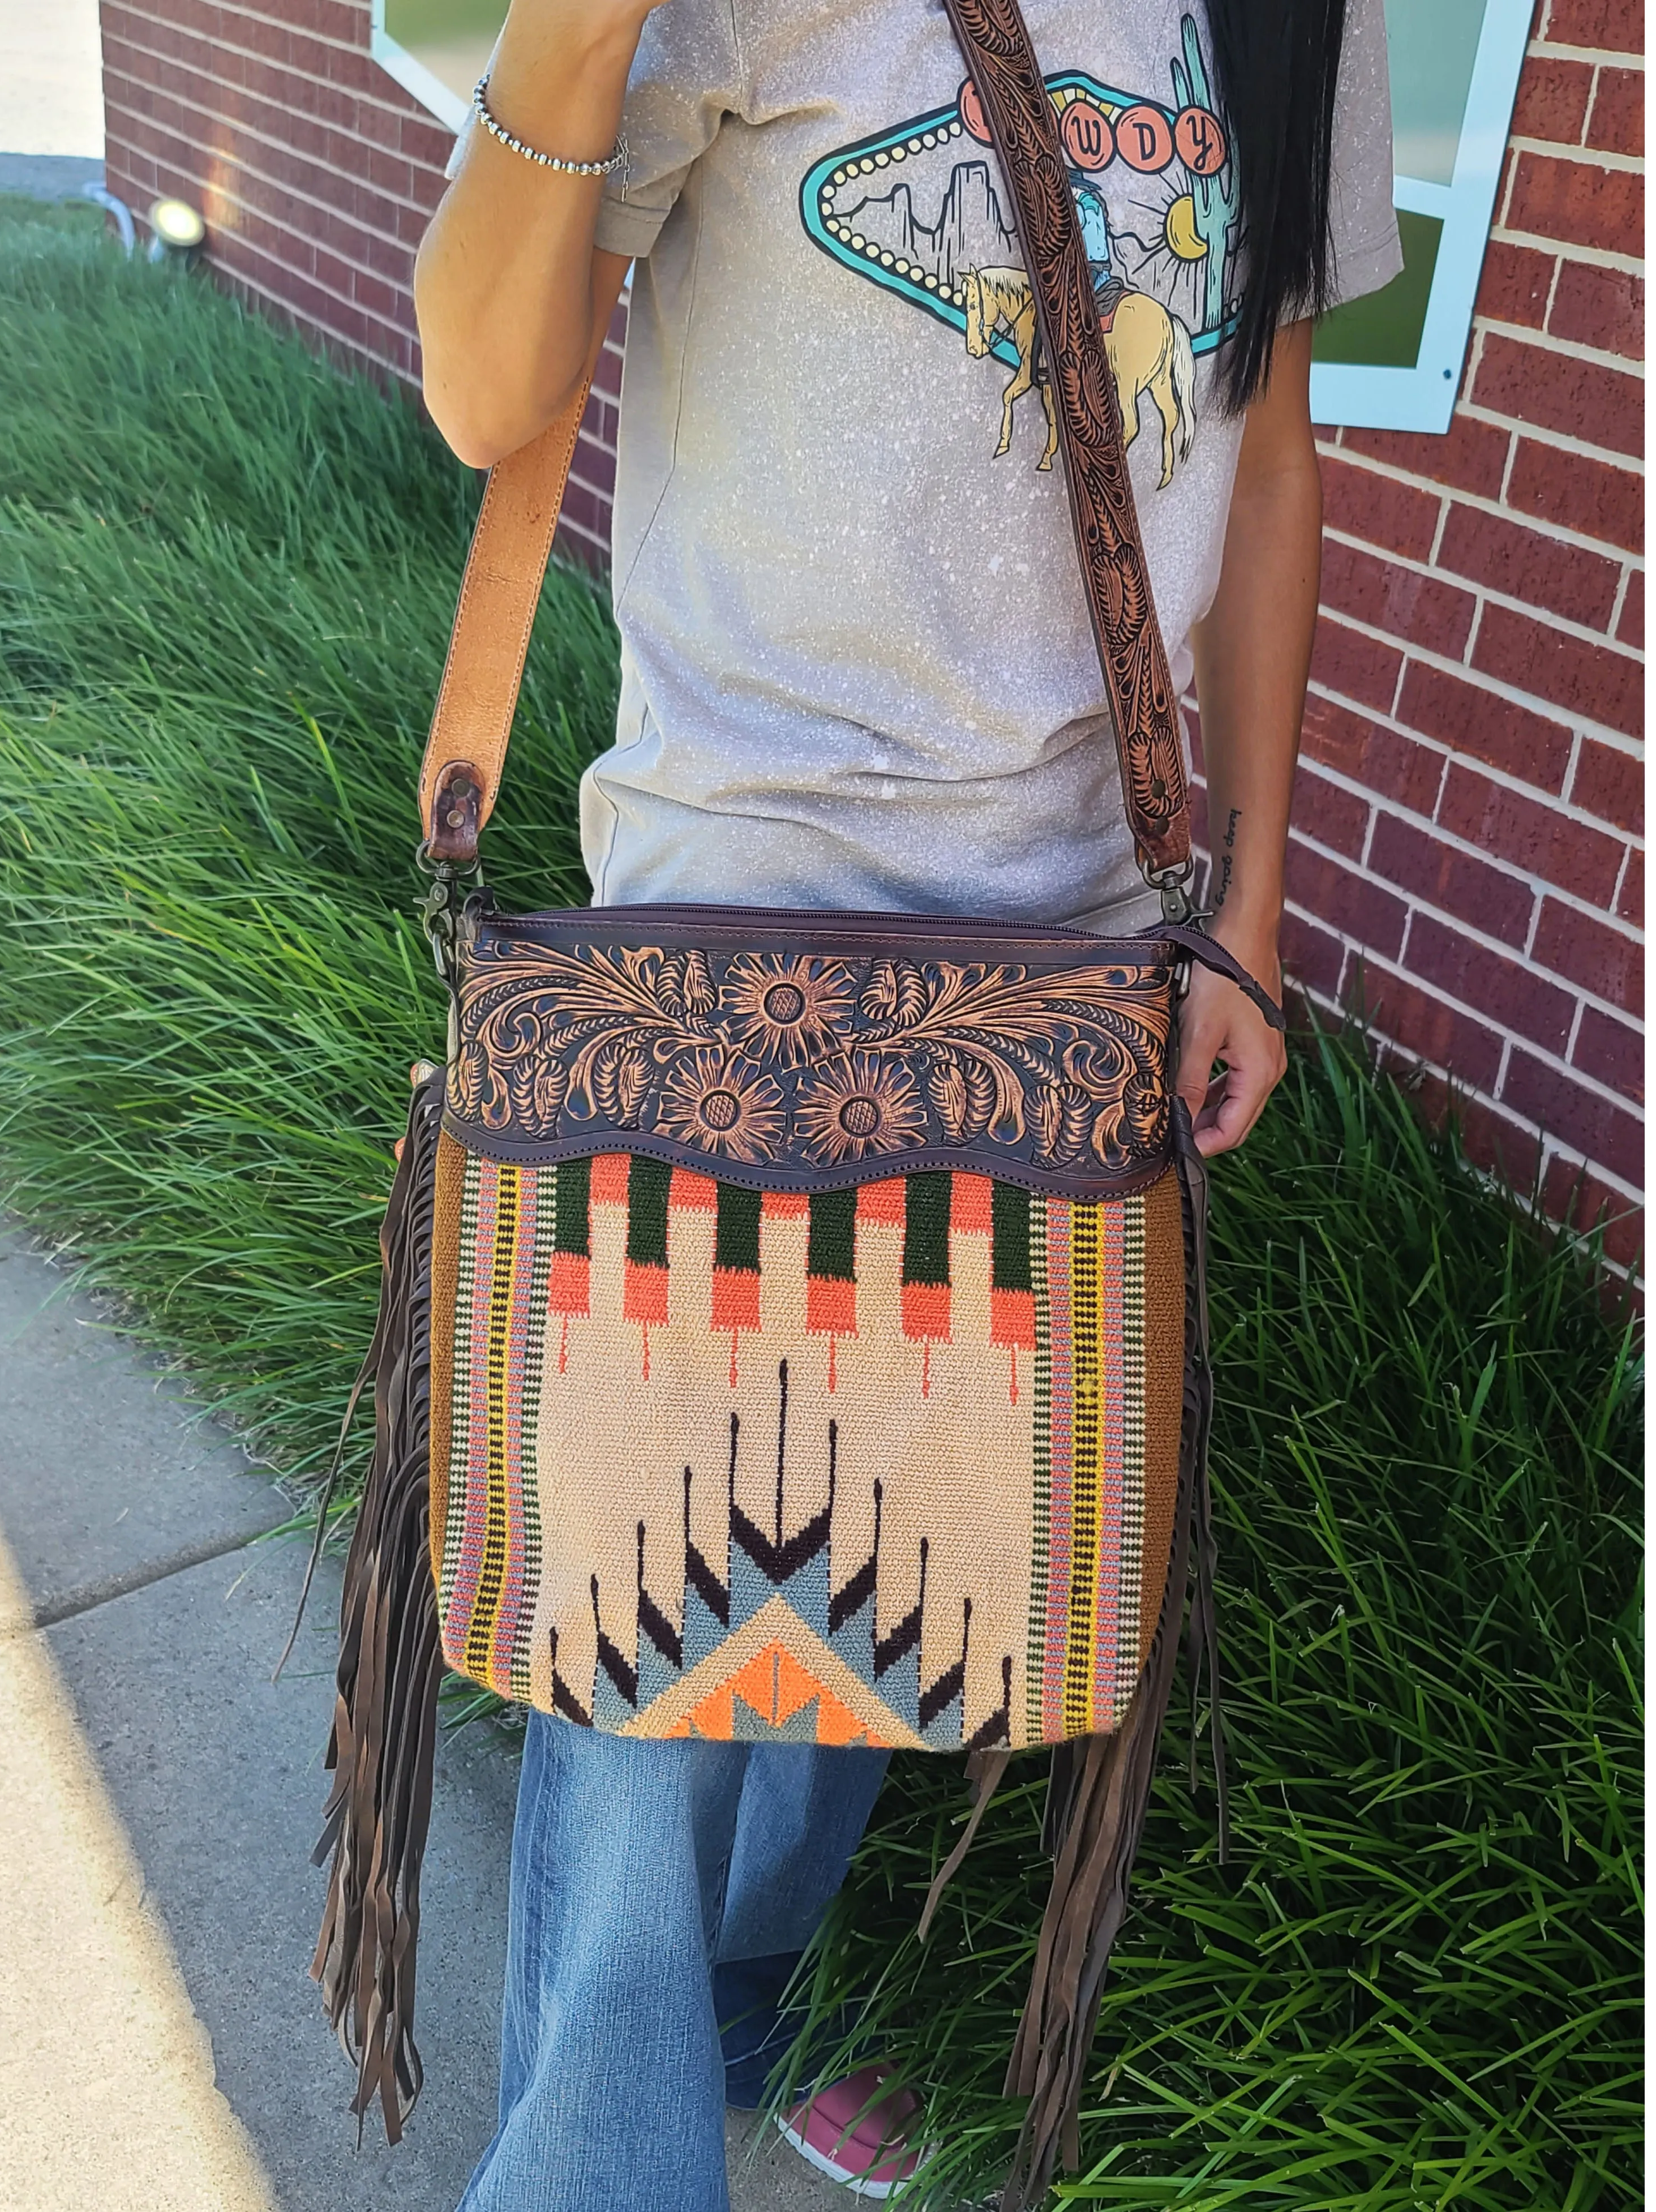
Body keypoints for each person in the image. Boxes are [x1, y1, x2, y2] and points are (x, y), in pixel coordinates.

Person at [410, 1, 1401, 2202]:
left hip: (1054, 994)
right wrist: (572, 37)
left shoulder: (1285, 16)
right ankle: (599, 2150)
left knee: (896, 1579)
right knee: (643, 1633)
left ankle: (746, 2001)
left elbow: (1271, 435)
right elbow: (485, 391)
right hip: (712, 957)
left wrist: (1241, 906)